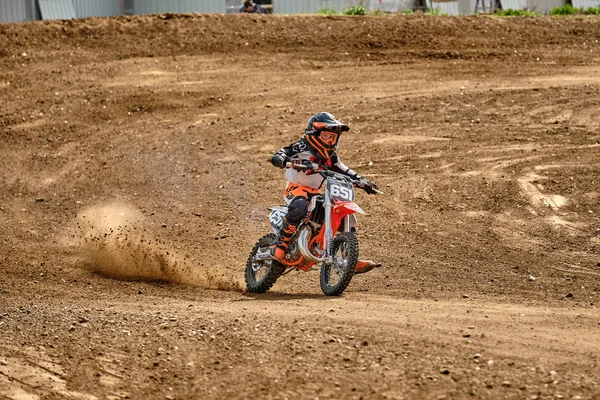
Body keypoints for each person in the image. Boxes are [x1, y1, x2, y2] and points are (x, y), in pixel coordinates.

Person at [269, 112, 381, 274]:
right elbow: (281, 154)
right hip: (296, 189)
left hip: (315, 192)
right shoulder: (301, 146)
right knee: (300, 206)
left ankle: (348, 257)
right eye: (327, 136)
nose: (330, 141)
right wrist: (282, 160)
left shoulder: (331, 157)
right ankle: (280, 245)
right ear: (314, 134)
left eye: (334, 137)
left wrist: (364, 182)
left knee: (342, 211)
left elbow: (346, 171)